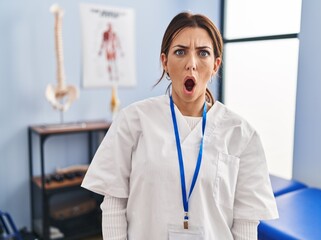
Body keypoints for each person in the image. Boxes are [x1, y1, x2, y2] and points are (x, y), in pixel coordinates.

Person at [82, 11, 278, 240]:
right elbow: (114, 204)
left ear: (215, 65)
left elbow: (245, 223)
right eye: (180, 52)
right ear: (165, 62)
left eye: (203, 53)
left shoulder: (241, 134)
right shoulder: (133, 121)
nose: (191, 64)